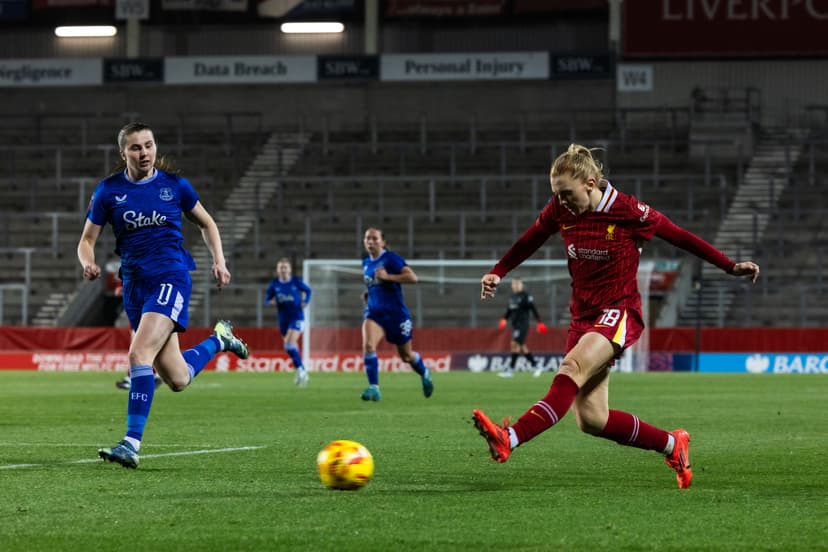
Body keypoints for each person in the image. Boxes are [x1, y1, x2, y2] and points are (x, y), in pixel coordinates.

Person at [472, 144, 760, 489]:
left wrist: (728, 266)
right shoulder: (560, 210)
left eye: (566, 194)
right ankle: (673, 444)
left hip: (619, 310)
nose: (560, 202)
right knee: (592, 419)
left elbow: (680, 236)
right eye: (556, 196)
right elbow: (530, 238)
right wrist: (499, 271)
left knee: (570, 369)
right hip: (583, 316)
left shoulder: (628, 210)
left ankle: (510, 438)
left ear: (591, 184)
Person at [77, 122, 250, 469]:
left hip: (170, 276)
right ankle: (219, 340)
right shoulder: (109, 191)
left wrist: (219, 260)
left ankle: (130, 443)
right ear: (123, 152)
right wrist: (88, 262)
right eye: (136, 148)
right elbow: (87, 240)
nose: (144, 153)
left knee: (138, 353)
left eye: (149, 145)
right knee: (177, 378)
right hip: (135, 286)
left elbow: (207, 223)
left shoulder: (175, 186)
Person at [359, 227, 433, 402]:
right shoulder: (365, 263)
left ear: (383, 242)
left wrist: (388, 277)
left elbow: (413, 278)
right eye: (367, 238)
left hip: (396, 315)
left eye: (375, 239)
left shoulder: (391, 259)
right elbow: (374, 284)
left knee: (406, 356)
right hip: (374, 313)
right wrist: (368, 294)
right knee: (369, 346)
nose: (371, 242)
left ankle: (425, 372)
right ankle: (374, 387)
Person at [265, 257, 312, 387]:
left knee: (289, 344)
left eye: (285, 267)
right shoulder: (275, 284)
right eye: (281, 268)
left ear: (290, 270)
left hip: (297, 316)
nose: (283, 270)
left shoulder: (296, 282)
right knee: (290, 346)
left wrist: (306, 301)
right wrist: (270, 301)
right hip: (283, 319)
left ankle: (301, 370)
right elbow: (267, 298)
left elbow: (308, 290)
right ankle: (301, 370)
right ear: (278, 270)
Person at [497, 277, 548, 378]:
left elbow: (533, 309)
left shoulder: (526, 296)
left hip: (523, 324)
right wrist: (504, 319)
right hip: (515, 325)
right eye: (514, 284)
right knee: (521, 346)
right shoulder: (512, 297)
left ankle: (510, 370)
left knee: (514, 344)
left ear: (521, 285)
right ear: (512, 285)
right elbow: (509, 310)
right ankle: (536, 365)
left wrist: (539, 322)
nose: (515, 286)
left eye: (517, 284)